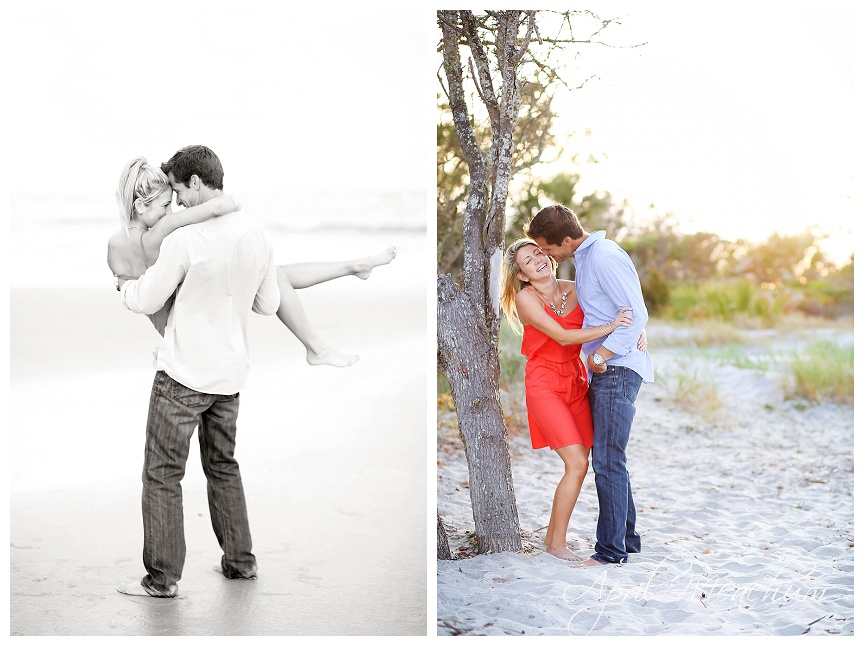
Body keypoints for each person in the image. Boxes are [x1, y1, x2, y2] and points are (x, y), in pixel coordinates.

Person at [107, 157, 397, 367]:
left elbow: (138, 293)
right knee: (272, 273)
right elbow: (216, 206)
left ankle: (352, 269)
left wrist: (126, 286)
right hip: (193, 330)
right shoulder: (159, 233)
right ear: (141, 205)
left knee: (272, 273)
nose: (171, 211)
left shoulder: (114, 246)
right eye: (164, 205)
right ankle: (320, 336)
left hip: (173, 331)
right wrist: (231, 204)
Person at [525, 204, 654, 567]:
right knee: (611, 458)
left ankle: (610, 552)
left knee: (608, 460)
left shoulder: (603, 257)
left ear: (565, 240)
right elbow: (622, 308)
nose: (547, 256)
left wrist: (600, 357)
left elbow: (635, 312)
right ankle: (626, 539)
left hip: (614, 368)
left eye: (548, 249)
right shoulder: (587, 258)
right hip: (609, 367)